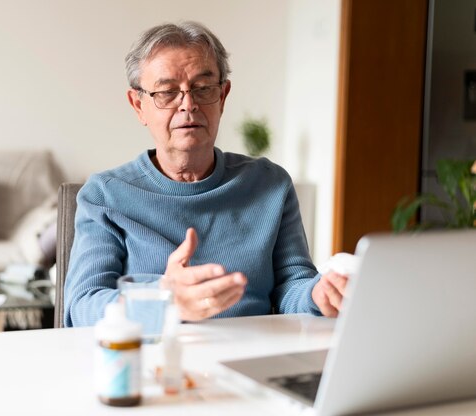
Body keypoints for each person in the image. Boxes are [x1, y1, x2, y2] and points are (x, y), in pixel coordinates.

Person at [64, 21, 347, 327]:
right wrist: (162, 300)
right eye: (167, 92)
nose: (188, 104)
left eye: (203, 88)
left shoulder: (270, 184)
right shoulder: (105, 195)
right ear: (138, 106)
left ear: (223, 96)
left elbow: (291, 286)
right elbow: (81, 307)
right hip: (155, 362)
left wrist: (318, 294)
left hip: (248, 358)